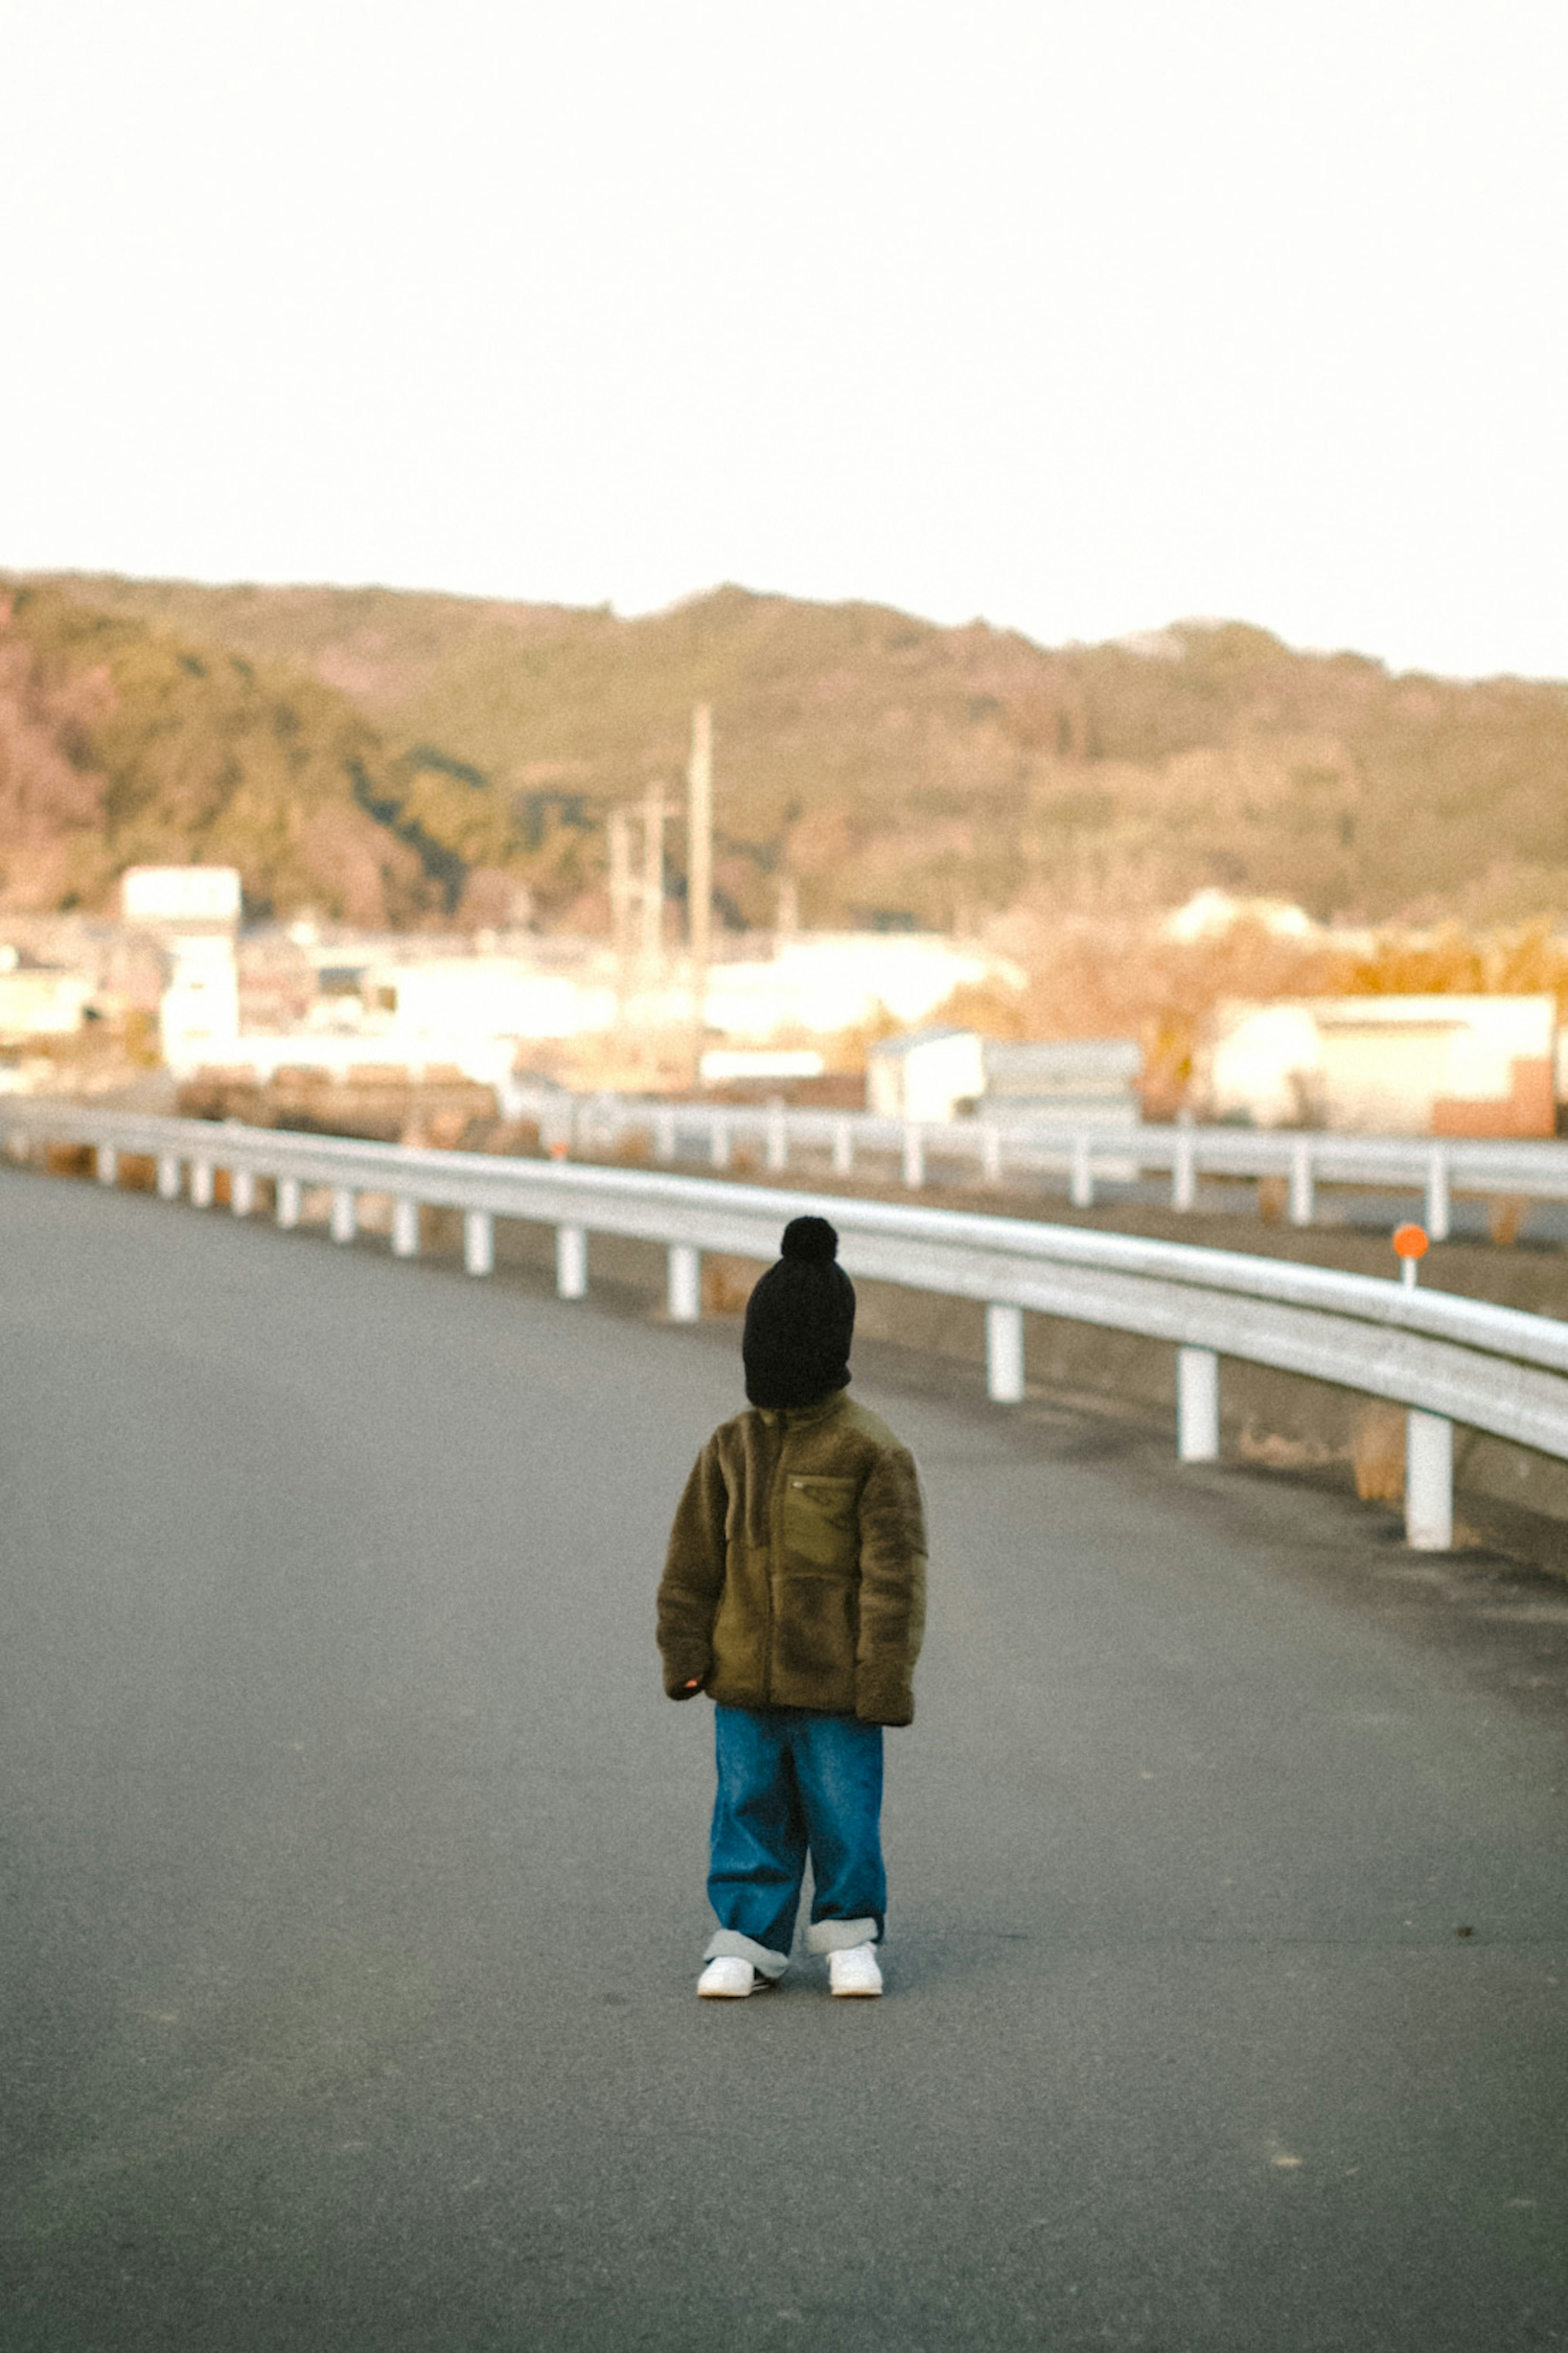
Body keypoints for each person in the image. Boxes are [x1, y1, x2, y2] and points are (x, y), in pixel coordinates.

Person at [657, 1213, 928, 1998]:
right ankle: (746, 1938)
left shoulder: (871, 1450)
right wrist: (686, 1653)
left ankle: (851, 1935)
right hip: (740, 1679)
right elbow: (692, 1559)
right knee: (747, 1810)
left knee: (845, 1816)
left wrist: (883, 1680)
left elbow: (896, 1578)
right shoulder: (730, 1446)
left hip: (837, 1687)